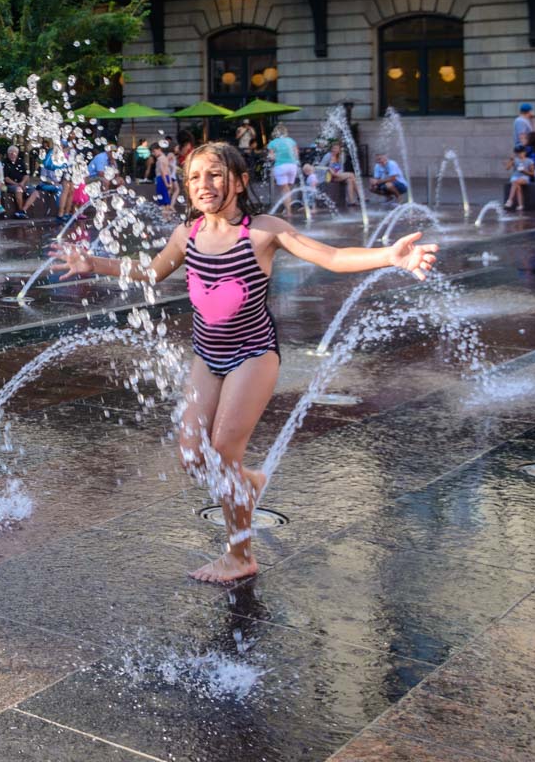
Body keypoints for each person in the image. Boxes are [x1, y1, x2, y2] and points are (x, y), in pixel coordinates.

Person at [58, 142, 437, 583]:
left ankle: (240, 556)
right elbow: (150, 272)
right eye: (195, 177)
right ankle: (248, 482)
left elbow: (331, 257)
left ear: (238, 181)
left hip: (253, 355)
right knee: (192, 455)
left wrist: (390, 256)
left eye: (215, 175)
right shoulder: (188, 234)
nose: (204, 185)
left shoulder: (261, 231)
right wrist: (94, 263)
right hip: (207, 356)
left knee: (222, 452)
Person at [267, 125, 300, 207]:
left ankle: (289, 212)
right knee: (287, 189)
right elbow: (296, 154)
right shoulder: (291, 140)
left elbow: (271, 157)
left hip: (280, 167)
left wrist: (270, 157)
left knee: (285, 190)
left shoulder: (273, 143)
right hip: (292, 166)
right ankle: (287, 208)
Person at [0, 144, 31, 219]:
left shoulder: (20, 161)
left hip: (21, 184)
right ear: (8, 154)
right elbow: (6, 178)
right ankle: (20, 210)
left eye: (14, 153)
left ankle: (24, 210)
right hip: (9, 185)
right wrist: (18, 184)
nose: (12, 154)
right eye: (10, 153)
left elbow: (26, 175)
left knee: (36, 191)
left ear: (17, 154)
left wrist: (22, 183)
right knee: (19, 190)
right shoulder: (5, 163)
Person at [504, 147, 534, 211]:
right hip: (515, 176)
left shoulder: (529, 161)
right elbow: (507, 168)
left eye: (521, 153)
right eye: (518, 153)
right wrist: (511, 160)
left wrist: (525, 171)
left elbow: (533, 173)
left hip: (524, 177)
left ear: (525, 152)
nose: (520, 154)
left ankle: (510, 200)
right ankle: (520, 205)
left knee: (515, 182)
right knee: (518, 187)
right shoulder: (515, 160)